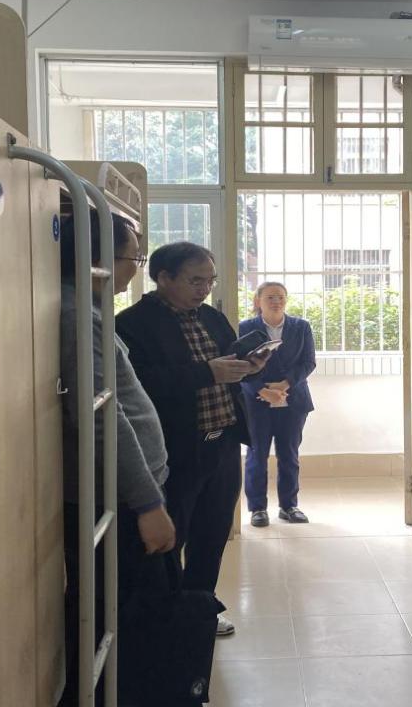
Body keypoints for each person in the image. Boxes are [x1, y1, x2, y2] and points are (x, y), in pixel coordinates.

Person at [116, 242, 270, 638]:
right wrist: (208, 372)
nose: (204, 289)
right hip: (175, 450)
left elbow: (227, 369)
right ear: (163, 277)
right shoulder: (132, 324)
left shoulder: (212, 318)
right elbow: (140, 385)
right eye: (195, 280)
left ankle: (200, 608)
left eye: (210, 280)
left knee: (212, 534)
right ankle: (165, 619)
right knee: (169, 538)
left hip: (222, 445)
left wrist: (250, 367)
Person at [59, 209, 177, 706]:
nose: (134, 269)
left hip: (125, 490)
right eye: (134, 258)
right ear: (98, 260)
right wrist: (147, 502)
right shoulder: (75, 316)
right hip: (119, 497)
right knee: (127, 613)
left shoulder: (85, 308)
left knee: (136, 609)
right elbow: (102, 417)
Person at [239, 281, 317, 527]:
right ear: (258, 301)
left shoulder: (301, 327)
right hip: (256, 401)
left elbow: (308, 362)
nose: (277, 301)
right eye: (271, 297)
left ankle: (289, 506)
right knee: (257, 455)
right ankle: (257, 509)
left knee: (289, 455)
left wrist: (284, 385)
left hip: (293, 400)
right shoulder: (245, 327)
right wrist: (262, 390)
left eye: (281, 297)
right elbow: (241, 364)